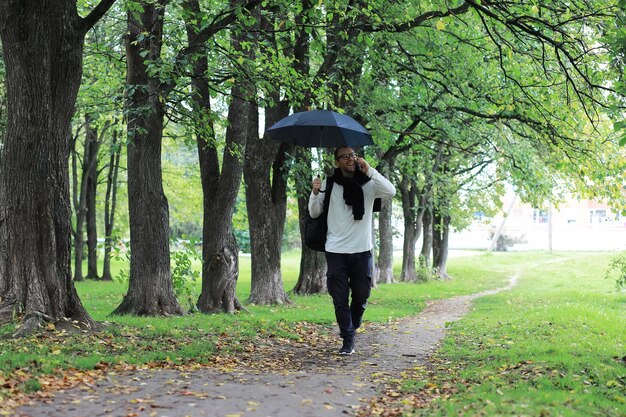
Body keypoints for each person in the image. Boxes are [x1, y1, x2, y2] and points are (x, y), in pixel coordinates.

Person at [308, 146, 396, 355]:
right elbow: (314, 213)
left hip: (362, 249)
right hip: (336, 249)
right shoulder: (329, 184)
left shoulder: (369, 184)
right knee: (339, 298)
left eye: (353, 155)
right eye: (345, 156)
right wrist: (314, 193)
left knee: (361, 295)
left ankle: (352, 325)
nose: (350, 158)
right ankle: (348, 339)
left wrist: (370, 170)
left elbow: (391, 191)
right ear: (337, 161)